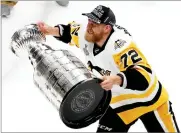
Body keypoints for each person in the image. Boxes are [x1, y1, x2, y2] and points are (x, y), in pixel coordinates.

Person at [37, 5, 180, 132]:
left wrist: (117, 79)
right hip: (120, 102)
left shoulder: (120, 44)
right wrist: (50, 30)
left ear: (107, 28)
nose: (89, 26)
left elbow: (144, 76)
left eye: (95, 23)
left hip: (149, 100)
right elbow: (69, 31)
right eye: (89, 20)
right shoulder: (87, 32)